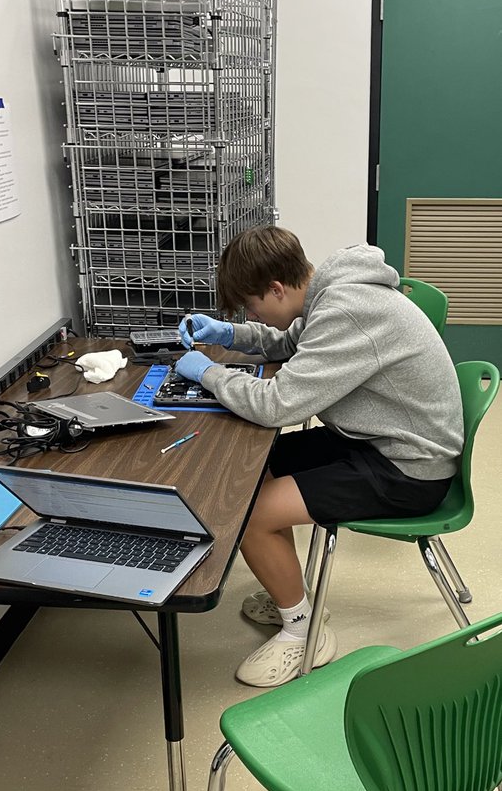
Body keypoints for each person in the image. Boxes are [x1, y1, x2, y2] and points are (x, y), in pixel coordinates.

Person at [174, 226, 464, 688]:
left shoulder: (346, 311)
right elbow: (290, 343)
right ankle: (293, 594)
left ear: (276, 288)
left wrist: (209, 373)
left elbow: (276, 406)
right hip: (378, 440)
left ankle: (302, 632)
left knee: (248, 512)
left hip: (408, 469)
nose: (253, 315)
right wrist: (230, 334)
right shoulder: (330, 289)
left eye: (252, 307)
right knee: (255, 470)